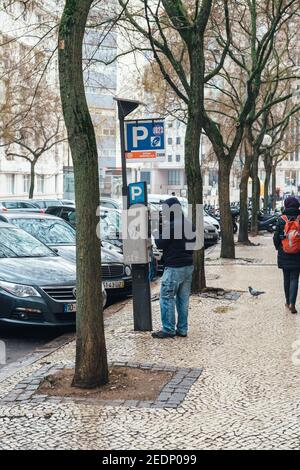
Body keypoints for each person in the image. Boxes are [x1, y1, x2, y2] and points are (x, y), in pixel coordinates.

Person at [152, 197, 195, 339]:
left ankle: (168, 329)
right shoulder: (189, 224)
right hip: (188, 266)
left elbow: (159, 243)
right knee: (183, 299)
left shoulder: (171, 226)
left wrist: (155, 230)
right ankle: (182, 329)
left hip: (174, 267)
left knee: (166, 297)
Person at [273, 196, 300, 314]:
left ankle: (287, 301)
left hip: (284, 253)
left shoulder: (281, 219)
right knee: (295, 278)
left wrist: (279, 247)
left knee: (286, 278)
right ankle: (292, 303)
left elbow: (275, 237)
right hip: (298, 253)